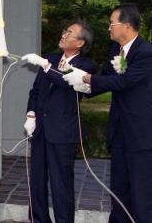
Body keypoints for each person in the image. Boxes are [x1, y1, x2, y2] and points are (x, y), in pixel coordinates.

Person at [63, 4, 152, 223]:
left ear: (127, 26)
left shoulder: (146, 52)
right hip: (121, 131)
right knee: (119, 190)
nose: (109, 28)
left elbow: (124, 81)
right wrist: (82, 85)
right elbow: (106, 79)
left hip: (144, 135)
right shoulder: (116, 50)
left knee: (142, 196)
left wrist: (86, 78)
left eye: (112, 23)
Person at [22, 21, 96, 223]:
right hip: (40, 130)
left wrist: (45, 66)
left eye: (69, 32)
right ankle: (38, 219)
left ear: (80, 43)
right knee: (36, 180)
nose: (63, 34)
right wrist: (30, 114)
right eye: (64, 30)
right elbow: (35, 91)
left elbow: (65, 82)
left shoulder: (86, 65)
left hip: (63, 132)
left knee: (60, 182)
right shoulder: (52, 58)